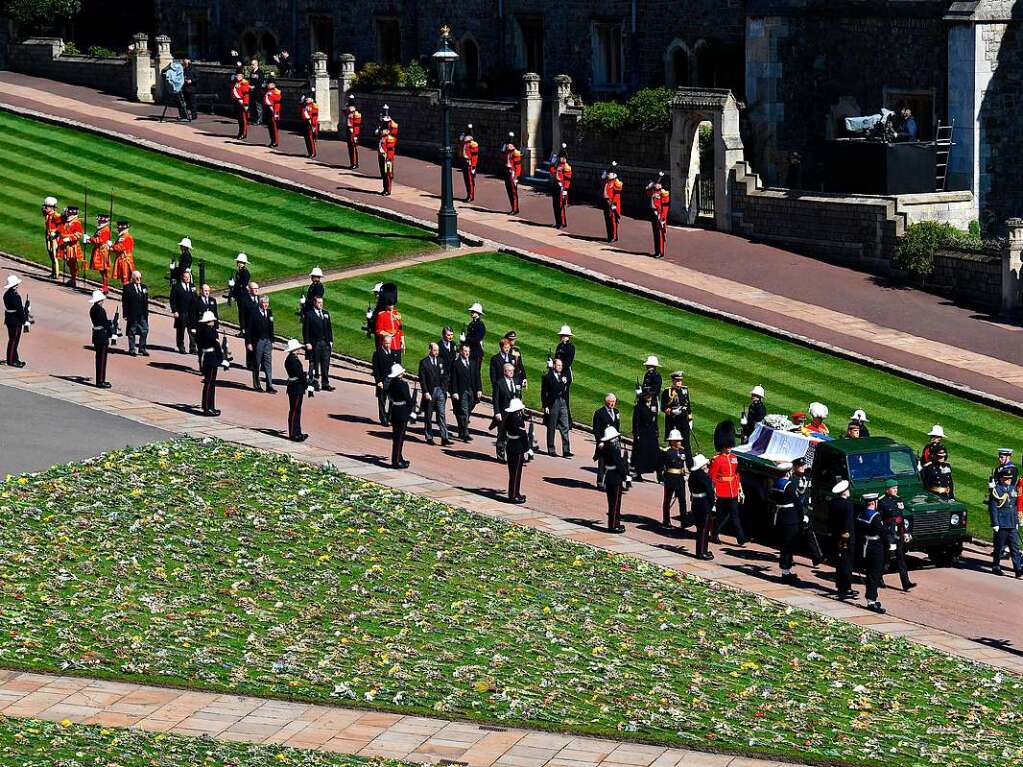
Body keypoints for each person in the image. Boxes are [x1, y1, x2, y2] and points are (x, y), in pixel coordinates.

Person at [709, 421, 747, 545]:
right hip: (721, 491)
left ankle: (741, 538)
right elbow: (712, 477)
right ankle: (714, 534)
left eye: (730, 446)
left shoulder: (734, 458)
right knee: (720, 516)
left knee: (735, 515)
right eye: (728, 446)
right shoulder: (717, 460)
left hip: (733, 490)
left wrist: (739, 488)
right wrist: (713, 490)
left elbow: (736, 474)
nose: (730, 448)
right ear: (723, 446)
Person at [878, 479, 915, 591]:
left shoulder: (899, 500)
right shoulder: (882, 502)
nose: (895, 490)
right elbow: (880, 519)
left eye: (896, 488)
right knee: (886, 558)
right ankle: (878, 577)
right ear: (887, 490)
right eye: (893, 488)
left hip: (898, 532)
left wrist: (905, 532)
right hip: (889, 533)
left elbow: (901, 517)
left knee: (901, 557)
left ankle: (906, 582)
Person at [771, 463, 806, 583]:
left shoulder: (776, 483)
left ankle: (786, 570)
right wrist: (802, 517)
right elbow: (797, 502)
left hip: (780, 515)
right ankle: (785, 572)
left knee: (784, 544)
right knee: (788, 544)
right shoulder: (789, 485)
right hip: (790, 517)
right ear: (788, 472)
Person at [990, 464, 1023, 577]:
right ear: (1001, 479)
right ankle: (996, 566)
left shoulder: (1013, 489)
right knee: (999, 547)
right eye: (1006, 478)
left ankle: (1018, 568)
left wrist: (1017, 522)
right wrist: (995, 523)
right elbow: (993, 508)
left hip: (1012, 523)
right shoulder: (997, 490)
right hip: (1002, 523)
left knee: (1015, 547)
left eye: (1010, 478)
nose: (1009, 480)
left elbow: (1014, 507)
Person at [857, 492, 887, 613]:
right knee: (874, 574)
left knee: (870, 574)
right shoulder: (875, 516)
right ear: (874, 502)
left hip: (865, 545)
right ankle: (871, 601)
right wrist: (888, 545)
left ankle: (871, 598)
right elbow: (882, 532)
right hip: (875, 547)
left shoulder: (861, 514)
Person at [418, 342, 451, 446]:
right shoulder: (424, 362)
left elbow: (445, 376)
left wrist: (444, 389)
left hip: (440, 391)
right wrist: (425, 392)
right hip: (430, 392)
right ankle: (429, 436)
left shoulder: (441, 361)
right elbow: (422, 379)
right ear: (430, 350)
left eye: (437, 351)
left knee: (441, 414)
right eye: (435, 350)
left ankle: (444, 437)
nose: (436, 352)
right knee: (428, 415)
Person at [829, 480, 858, 599]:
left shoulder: (833, 503)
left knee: (840, 562)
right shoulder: (848, 505)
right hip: (846, 538)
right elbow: (847, 523)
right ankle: (847, 587)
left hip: (836, 536)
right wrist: (846, 537)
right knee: (847, 563)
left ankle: (840, 586)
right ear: (844, 492)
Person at [598, 426, 629, 533]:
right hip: (615, 478)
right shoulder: (613, 449)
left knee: (612, 502)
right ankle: (613, 525)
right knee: (615, 503)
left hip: (609, 477)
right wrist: (625, 474)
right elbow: (619, 464)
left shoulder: (605, 448)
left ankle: (615, 523)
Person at [197, 310, 226, 417]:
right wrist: (222, 358)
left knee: (209, 383)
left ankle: (209, 406)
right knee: (210, 384)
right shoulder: (211, 332)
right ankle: (208, 407)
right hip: (212, 358)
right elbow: (217, 346)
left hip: (205, 358)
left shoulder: (201, 330)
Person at [541, 357, 572, 457]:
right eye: (558, 365)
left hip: (562, 402)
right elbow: (543, 392)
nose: (560, 367)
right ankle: (551, 449)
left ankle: (566, 450)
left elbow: (567, 384)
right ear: (553, 365)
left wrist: (564, 382)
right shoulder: (547, 376)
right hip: (553, 403)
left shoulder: (563, 376)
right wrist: (545, 405)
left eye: (561, 366)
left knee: (565, 426)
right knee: (552, 426)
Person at [492, 362, 522, 462]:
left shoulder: (516, 382)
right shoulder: (499, 383)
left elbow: (519, 396)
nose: (511, 373)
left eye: (512, 371)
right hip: (503, 412)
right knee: (503, 434)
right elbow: (495, 399)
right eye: (509, 371)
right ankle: (500, 453)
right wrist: (497, 412)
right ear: (504, 372)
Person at [302, 295, 334, 392]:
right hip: (315, 343)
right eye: (319, 303)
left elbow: (329, 328)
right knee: (315, 364)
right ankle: (315, 382)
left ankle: (325, 383)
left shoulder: (325, 313)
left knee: (325, 364)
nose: (321, 304)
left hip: (325, 343)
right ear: (315, 303)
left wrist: (331, 341)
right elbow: (305, 330)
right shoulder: (309, 314)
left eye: (322, 303)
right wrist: (307, 342)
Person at [451, 342, 481, 441]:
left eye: (468, 351)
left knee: (467, 410)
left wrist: (479, 389)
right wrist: (454, 392)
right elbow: (453, 379)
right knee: (464, 411)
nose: (467, 353)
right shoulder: (456, 364)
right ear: (460, 352)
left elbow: (477, 377)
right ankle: (465, 433)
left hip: (471, 390)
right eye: (465, 351)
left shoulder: (473, 363)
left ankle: (461, 430)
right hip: (461, 391)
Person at [284, 338, 313, 441]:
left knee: (297, 410)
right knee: (295, 410)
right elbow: (299, 375)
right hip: (296, 387)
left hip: (295, 386)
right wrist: (307, 384)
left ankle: (297, 432)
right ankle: (293, 433)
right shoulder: (293, 360)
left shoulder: (292, 358)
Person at [661, 371, 693, 463]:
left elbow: (688, 405)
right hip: (673, 421)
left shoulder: (685, 390)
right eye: (677, 381)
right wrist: (672, 412)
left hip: (684, 421)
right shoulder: (668, 392)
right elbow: (663, 407)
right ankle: (673, 462)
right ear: (673, 381)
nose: (679, 383)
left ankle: (690, 464)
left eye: (680, 381)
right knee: (674, 444)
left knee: (686, 444)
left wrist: (690, 419)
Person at [386, 363, 414, 468]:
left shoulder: (391, 383)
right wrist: (412, 409)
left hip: (394, 411)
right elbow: (408, 399)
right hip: (402, 412)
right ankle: (396, 460)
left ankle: (399, 457)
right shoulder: (403, 384)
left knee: (397, 437)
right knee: (399, 439)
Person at [246, 294, 275, 393]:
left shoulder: (269, 312)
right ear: (260, 303)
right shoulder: (254, 313)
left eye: (267, 303)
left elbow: (271, 327)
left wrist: (272, 340)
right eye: (264, 303)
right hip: (258, 341)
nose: (266, 305)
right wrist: (249, 342)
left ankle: (269, 385)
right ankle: (257, 384)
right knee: (257, 363)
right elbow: (248, 329)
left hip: (267, 341)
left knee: (268, 362)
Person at [688, 453, 715, 559]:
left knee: (700, 528)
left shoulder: (692, 475)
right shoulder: (703, 476)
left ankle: (702, 550)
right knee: (704, 529)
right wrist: (712, 503)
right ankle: (702, 552)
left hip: (696, 502)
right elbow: (709, 491)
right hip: (704, 503)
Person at [592, 393, 621, 489]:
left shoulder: (616, 412)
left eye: (614, 402)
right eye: (611, 402)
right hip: (604, 442)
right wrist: (599, 441)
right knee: (602, 463)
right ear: (606, 401)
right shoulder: (599, 413)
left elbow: (617, 427)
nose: (613, 404)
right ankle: (600, 482)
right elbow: (596, 429)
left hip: (614, 442)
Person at [631, 387, 660, 481]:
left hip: (651, 432)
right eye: (647, 395)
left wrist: (656, 430)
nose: (649, 397)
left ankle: (660, 475)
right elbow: (635, 422)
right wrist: (636, 434)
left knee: (656, 454)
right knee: (640, 454)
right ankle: (638, 473)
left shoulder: (654, 405)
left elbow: (655, 419)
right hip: (642, 433)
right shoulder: (639, 406)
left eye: (650, 395)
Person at [660, 429, 688, 528]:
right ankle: (666, 520)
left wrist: (684, 472)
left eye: (679, 440)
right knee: (667, 500)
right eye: (677, 441)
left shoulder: (682, 450)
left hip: (680, 477)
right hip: (671, 478)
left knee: (682, 500)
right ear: (672, 441)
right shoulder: (667, 452)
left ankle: (684, 521)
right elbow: (661, 465)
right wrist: (662, 478)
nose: (679, 442)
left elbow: (682, 464)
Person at [504, 398, 528, 503]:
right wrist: (527, 449)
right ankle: (513, 495)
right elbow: (522, 434)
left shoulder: (511, 417)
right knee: (516, 473)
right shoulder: (516, 419)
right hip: (517, 448)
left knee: (514, 473)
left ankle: (515, 493)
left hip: (511, 446)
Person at [88, 290, 114, 388]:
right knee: (102, 359)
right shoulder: (100, 310)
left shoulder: (93, 309)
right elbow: (104, 323)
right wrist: (111, 328)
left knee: (99, 358)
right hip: (102, 336)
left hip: (96, 335)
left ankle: (100, 379)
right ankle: (100, 381)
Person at [122, 271, 150, 357]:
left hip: (142, 313)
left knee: (145, 330)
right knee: (132, 331)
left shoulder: (144, 287)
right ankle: (132, 349)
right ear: (133, 278)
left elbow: (146, 301)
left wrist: (146, 312)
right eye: (137, 278)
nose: (139, 280)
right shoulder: (127, 288)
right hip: (132, 313)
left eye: (140, 278)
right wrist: (125, 314)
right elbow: (125, 302)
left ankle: (142, 348)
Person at [170, 269, 198, 354]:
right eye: (186, 277)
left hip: (191, 313)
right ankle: (181, 346)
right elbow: (172, 300)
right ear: (182, 277)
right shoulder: (177, 287)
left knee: (192, 330)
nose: (187, 279)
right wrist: (175, 311)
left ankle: (193, 347)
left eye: (188, 277)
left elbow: (195, 298)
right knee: (181, 330)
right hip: (181, 312)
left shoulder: (192, 287)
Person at [373, 332, 397, 425]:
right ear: (383, 342)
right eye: (386, 343)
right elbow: (376, 369)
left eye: (389, 343)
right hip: (382, 381)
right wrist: (378, 381)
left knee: (392, 401)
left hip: (391, 381)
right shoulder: (377, 353)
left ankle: (389, 416)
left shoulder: (393, 353)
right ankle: (383, 418)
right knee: (382, 401)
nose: (388, 345)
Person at [3, 274, 27, 368]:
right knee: (14, 340)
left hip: (9, 319)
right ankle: (11, 360)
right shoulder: (15, 296)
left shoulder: (7, 294)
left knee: (12, 339)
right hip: (15, 320)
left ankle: (15, 358)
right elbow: (19, 310)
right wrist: (24, 318)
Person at [58, 206, 85, 289]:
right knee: (69, 263)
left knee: (72, 263)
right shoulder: (67, 220)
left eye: (68, 212)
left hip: (72, 246)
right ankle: (72, 278)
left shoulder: (76, 222)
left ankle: (73, 279)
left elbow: (78, 235)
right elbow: (61, 227)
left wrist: (69, 238)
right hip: (67, 245)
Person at [374, 287, 404, 360]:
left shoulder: (397, 314)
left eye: (392, 305)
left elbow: (400, 329)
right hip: (387, 344)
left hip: (397, 345)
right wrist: (388, 334)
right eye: (390, 305)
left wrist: (402, 342)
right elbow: (378, 331)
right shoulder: (381, 315)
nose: (391, 306)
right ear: (386, 305)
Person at [646, 173, 670, 259]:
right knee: (655, 233)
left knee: (660, 234)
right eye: (656, 183)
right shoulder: (653, 191)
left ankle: (661, 252)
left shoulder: (664, 193)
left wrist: (662, 217)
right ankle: (656, 251)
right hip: (653, 213)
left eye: (658, 183)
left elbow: (665, 207)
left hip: (660, 215)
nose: (657, 184)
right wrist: (650, 186)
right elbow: (648, 193)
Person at [550, 145, 573, 228]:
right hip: (555, 186)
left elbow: (567, 180)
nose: (561, 159)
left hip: (561, 188)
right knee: (555, 205)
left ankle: (562, 222)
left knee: (560, 206)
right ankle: (557, 222)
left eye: (563, 158)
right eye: (561, 157)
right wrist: (552, 163)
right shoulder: (558, 165)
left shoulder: (566, 167)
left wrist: (565, 190)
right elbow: (552, 171)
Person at [89, 213, 112, 293]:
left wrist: (90, 239)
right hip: (99, 250)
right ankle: (105, 286)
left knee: (104, 270)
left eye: (100, 220)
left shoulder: (105, 229)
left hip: (102, 251)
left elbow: (99, 240)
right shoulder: (101, 229)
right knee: (102, 270)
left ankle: (105, 287)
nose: (98, 222)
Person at [601, 162, 623, 242]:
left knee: (613, 221)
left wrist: (613, 204)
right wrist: (603, 176)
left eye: (610, 173)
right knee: (607, 220)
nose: (608, 174)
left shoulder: (616, 183)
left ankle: (614, 236)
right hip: (606, 202)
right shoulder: (606, 182)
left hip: (613, 204)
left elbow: (617, 195)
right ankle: (609, 235)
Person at [501, 133, 522, 214]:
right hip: (507, 172)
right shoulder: (507, 152)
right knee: (509, 190)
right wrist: (503, 150)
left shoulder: (516, 153)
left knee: (513, 192)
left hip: (512, 173)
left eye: (509, 144)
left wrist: (516, 177)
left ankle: (515, 209)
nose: (508, 146)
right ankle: (513, 207)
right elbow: (502, 157)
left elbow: (518, 166)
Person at [231, 253, 251, 334]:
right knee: (241, 314)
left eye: (239, 262)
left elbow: (243, 285)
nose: (238, 263)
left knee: (242, 314)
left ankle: (243, 330)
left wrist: (235, 285)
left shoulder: (245, 273)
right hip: (240, 296)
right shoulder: (239, 272)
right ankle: (243, 329)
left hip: (243, 296)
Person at [110, 221, 135, 288]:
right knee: (123, 278)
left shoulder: (126, 237)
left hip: (125, 260)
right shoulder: (122, 236)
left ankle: (127, 293)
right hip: (122, 259)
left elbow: (120, 247)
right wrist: (112, 246)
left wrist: (111, 247)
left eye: (118, 227)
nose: (117, 228)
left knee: (125, 277)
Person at [42, 196, 62, 279]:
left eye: (47, 207)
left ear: (52, 207)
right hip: (48, 235)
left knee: (54, 255)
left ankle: (56, 274)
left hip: (54, 237)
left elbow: (61, 226)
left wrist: (55, 232)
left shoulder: (56, 216)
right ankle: (53, 272)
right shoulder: (48, 214)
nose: (45, 208)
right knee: (50, 253)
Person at [464, 302, 486, 376]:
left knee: (475, 373)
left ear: (478, 313)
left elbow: (477, 339)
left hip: (476, 353)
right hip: (470, 351)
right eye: (472, 311)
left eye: (473, 312)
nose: (472, 313)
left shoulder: (480, 325)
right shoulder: (471, 324)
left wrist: (466, 339)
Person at [459, 124, 479, 202]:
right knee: (466, 180)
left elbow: (475, 156)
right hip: (464, 161)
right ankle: (468, 194)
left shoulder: (473, 144)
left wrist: (473, 166)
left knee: (470, 181)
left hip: (469, 163)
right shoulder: (464, 142)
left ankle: (471, 195)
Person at [378, 125, 397, 196]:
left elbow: (390, 150)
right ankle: (385, 188)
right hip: (382, 157)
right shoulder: (382, 138)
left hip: (387, 158)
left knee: (388, 174)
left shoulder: (390, 138)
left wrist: (388, 158)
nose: (381, 131)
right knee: (383, 174)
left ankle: (388, 190)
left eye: (383, 130)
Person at [231, 71, 251, 140]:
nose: (238, 77)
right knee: (239, 119)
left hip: (242, 102)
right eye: (237, 75)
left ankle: (244, 133)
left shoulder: (244, 83)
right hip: (237, 102)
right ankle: (240, 132)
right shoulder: (235, 82)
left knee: (243, 119)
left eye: (239, 75)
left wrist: (245, 104)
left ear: (242, 76)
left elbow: (246, 94)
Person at [343, 98, 362, 169]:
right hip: (349, 130)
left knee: (353, 147)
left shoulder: (356, 114)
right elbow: (343, 111)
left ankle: (355, 163)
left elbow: (357, 124)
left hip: (353, 131)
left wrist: (354, 133)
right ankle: (352, 163)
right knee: (350, 147)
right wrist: (346, 106)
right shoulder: (348, 112)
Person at [263, 80, 282, 147]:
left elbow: (277, 103)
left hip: (273, 111)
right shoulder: (267, 91)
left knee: (274, 127)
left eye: (270, 84)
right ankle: (272, 140)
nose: (268, 85)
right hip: (268, 110)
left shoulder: (276, 92)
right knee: (270, 127)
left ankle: (275, 141)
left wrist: (276, 113)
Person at [247, 58, 265, 126]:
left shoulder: (260, 72)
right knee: (253, 106)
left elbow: (261, 82)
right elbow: (251, 80)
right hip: (252, 92)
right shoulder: (252, 72)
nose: (252, 66)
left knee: (258, 106)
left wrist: (254, 87)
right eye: (251, 64)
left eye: (253, 64)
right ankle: (254, 119)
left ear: (257, 64)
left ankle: (259, 120)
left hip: (258, 92)